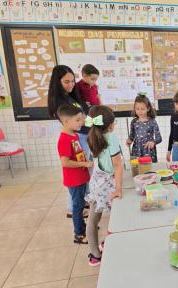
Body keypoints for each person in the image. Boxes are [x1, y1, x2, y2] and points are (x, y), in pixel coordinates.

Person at [48, 65, 90, 218]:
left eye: (73, 81)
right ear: (57, 82)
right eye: (66, 82)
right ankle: (73, 209)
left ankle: (80, 204)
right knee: (76, 177)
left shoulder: (71, 95)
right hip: (79, 137)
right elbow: (66, 162)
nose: (71, 84)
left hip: (82, 136)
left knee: (82, 174)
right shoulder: (61, 101)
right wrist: (88, 121)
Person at [85, 105, 123, 266]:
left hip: (96, 182)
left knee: (93, 219)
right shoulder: (111, 137)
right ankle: (110, 242)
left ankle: (95, 255)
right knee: (117, 217)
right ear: (110, 125)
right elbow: (117, 165)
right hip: (107, 183)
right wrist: (119, 189)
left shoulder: (93, 135)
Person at [57, 104, 93, 244]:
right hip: (74, 180)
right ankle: (78, 234)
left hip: (81, 177)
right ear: (66, 121)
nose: (81, 122)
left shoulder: (74, 135)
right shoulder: (64, 139)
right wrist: (84, 164)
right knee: (77, 208)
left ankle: (85, 228)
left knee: (82, 205)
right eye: (78, 120)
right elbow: (65, 162)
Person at [126, 94, 162, 162]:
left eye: (142, 109)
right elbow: (132, 136)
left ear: (148, 108)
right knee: (137, 169)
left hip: (148, 151)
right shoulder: (134, 122)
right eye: (137, 109)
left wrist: (153, 142)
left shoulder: (152, 121)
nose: (140, 111)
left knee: (149, 170)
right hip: (136, 151)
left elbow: (159, 138)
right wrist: (129, 140)